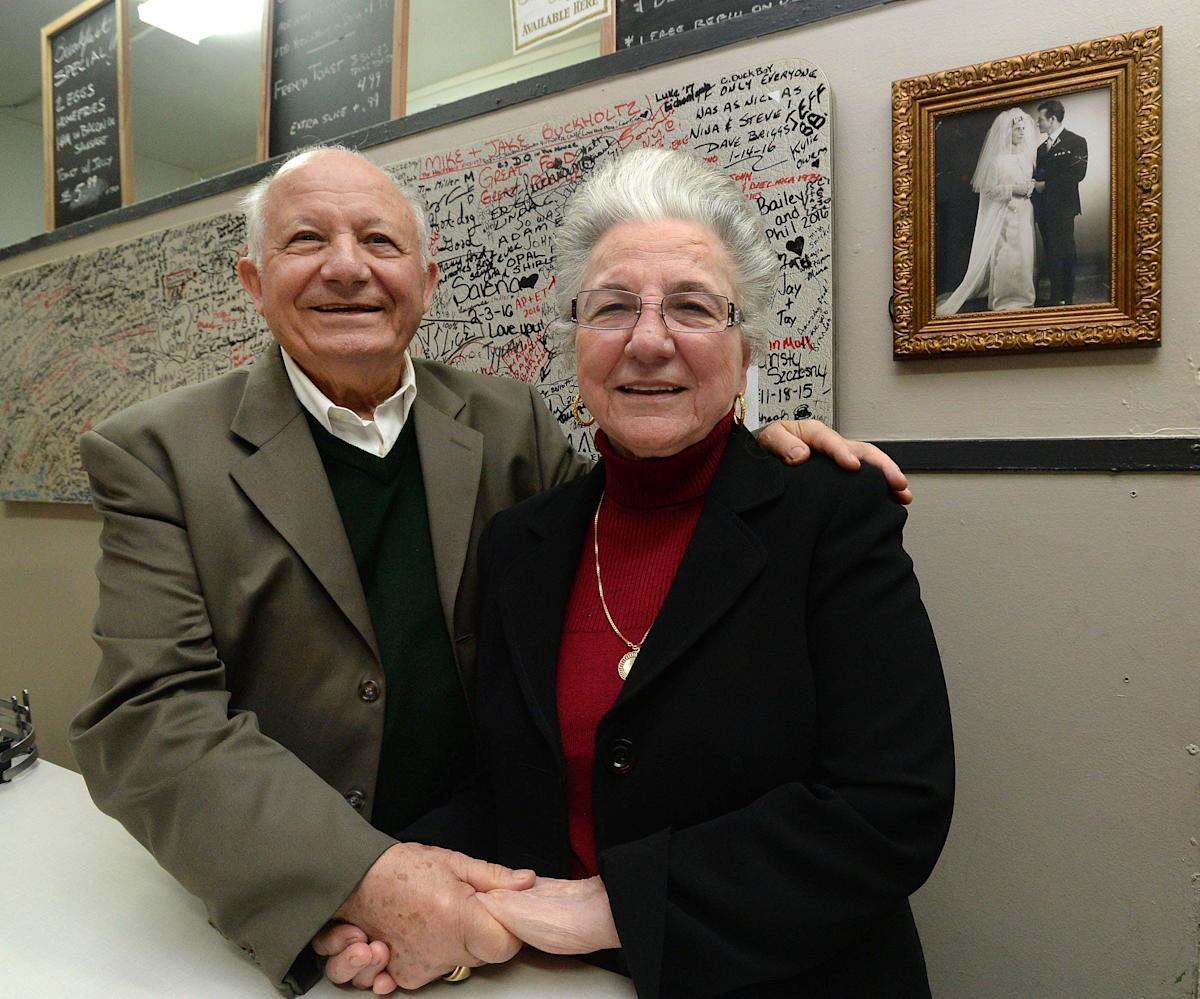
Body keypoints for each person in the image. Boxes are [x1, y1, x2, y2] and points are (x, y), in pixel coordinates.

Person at [68, 145, 910, 995]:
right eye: (306, 240)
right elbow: (149, 714)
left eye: (380, 242)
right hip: (366, 913)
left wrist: (759, 454)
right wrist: (360, 881)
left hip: (653, 940)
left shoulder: (509, 424)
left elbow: (680, 518)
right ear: (253, 280)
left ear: (428, 281)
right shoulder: (159, 454)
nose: (348, 267)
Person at [322, 149, 954, 997]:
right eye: (613, 307)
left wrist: (610, 906)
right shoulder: (524, 541)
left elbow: (891, 805)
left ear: (746, 344)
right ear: (574, 345)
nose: (649, 340)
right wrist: (390, 892)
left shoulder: (833, 513)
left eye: (692, 307)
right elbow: (506, 784)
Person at [937, 107, 1040, 316]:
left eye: (1022, 129)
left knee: (1025, 254)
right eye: (1017, 129)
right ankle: (1005, 299)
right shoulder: (996, 162)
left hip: (1024, 213)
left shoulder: (1026, 159)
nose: (1022, 132)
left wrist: (1029, 187)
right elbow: (988, 190)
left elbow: (1029, 183)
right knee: (1006, 256)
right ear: (1006, 133)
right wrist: (1013, 189)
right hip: (1005, 216)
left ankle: (1024, 296)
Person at [1033, 98, 1088, 306]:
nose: (1038, 123)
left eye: (1041, 119)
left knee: (1065, 251)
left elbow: (1077, 174)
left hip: (1064, 209)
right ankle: (1056, 297)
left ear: (1053, 119)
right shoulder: (1040, 150)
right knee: (1050, 253)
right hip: (1044, 210)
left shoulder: (1076, 141)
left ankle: (1067, 297)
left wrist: (1046, 185)